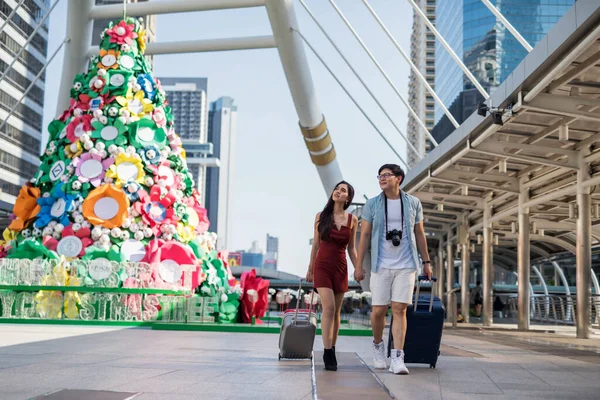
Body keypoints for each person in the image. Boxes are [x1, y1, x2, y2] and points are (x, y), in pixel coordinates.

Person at [354, 164, 432, 375]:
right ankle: (378, 347)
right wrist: (359, 265)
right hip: (381, 264)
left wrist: (426, 262)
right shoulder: (373, 204)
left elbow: (420, 234)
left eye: (386, 175)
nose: (382, 178)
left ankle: (398, 357)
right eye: (379, 175)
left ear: (398, 178)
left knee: (399, 308)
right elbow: (365, 236)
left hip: (406, 264)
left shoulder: (413, 202)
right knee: (379, 310)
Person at [306, 181, 358, 371]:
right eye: (336, 188)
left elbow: (352, 248)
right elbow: (316, 245)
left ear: (348, 198)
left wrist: (358, 267)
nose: (338, 191)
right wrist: (310, 268)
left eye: (343, 190)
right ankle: (327, 351)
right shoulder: (321, 216)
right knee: (328, 307)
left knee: (336, 311)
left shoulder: (353, 220)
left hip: (341, 266)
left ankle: (332, 347)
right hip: (322, 266)